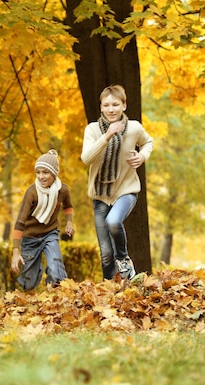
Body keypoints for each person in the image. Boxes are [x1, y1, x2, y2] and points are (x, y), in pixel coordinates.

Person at [81, 85, 154, 280]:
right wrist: (107, 136)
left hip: (126, 190)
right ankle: (110, 288)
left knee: (113, 221)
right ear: (101, 107)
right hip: (100, 195)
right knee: (105, 253)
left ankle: (123, 259)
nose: (111, 109)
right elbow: (86, 158)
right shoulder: (93, 130)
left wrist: (142, 156)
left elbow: (148, 142)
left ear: (124, 106)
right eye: (106, 105)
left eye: (115, 104)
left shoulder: (134, 128)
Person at [11, 150, 75, 290]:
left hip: (49, 234)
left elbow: (68, 207)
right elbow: (20, 222)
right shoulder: (32, 192)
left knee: (55, 265)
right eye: (38, 172)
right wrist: (16, 251)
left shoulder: (62, 190)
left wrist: (69, 222)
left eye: (45, 172)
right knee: (29, 283)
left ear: (54, 173)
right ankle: (36, 268)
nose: (40, 176)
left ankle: (57, 295)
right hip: (29, 238)